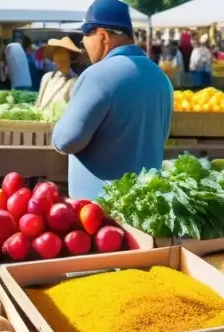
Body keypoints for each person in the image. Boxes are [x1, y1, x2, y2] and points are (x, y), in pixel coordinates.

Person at [52, 0, 173, 200]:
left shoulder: (97, 76)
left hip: (101, 212)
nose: (83, 42)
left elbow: (67, 141)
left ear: (102, 36)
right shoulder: (161, 78)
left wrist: (57, 128)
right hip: (146, 207)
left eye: (86, 33)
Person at [34, 38, 80, 109]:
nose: (57, 56)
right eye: (55, 52)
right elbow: (38, 102)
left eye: (61, 52)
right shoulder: (46, 77)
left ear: (70, 56)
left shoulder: (75, 81)